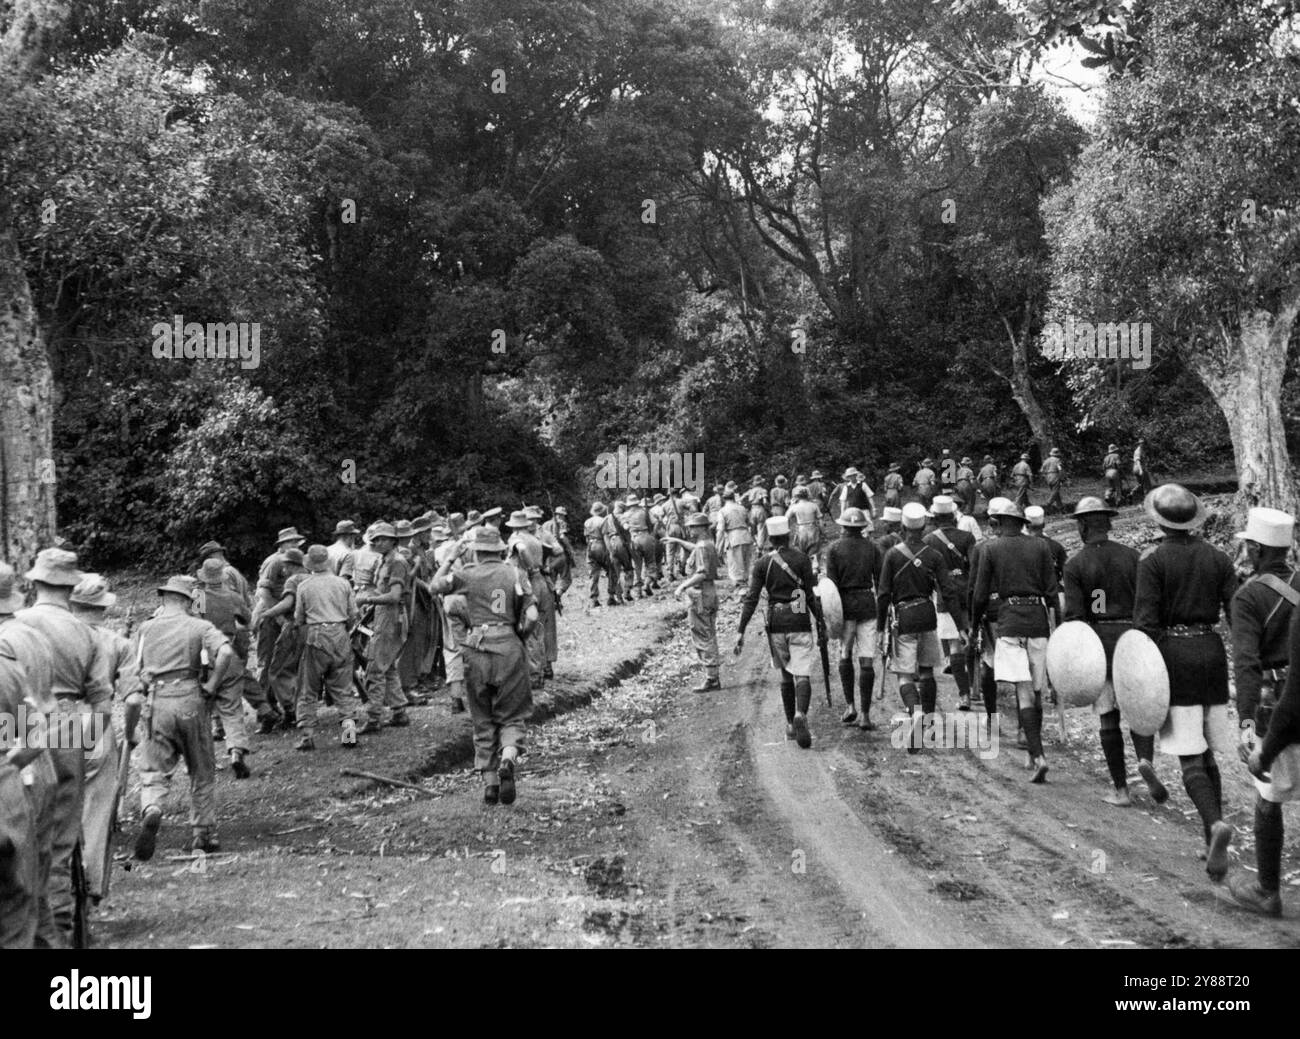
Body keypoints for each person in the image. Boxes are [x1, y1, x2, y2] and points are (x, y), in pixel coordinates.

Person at [1134, 484, 1236, 881]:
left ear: (1158, 521)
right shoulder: (1218, 557)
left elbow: (1145, 623)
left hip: (1175, 657)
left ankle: (1214, 826)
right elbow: (1233, 611)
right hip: (1212, 651)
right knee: (1208, 748)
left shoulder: (1153, 561)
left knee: (1187, 753)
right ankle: (1210, 831)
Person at [15, 549, 112, 945]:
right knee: (59, 842)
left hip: (18, 722)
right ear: (71, 588)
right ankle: (57, 936)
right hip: (68, 723)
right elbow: (102, 703)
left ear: (35, 583)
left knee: (19, 829)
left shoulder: (13, 627)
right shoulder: (87, 633)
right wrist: (86, 746)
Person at [1216, 508, 1298, 915]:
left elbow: (1246, 665)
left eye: (1248, 545)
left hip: (1279, 707)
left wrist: (1246, 727)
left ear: (1256, 548)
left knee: (1269, 797)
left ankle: (1268, 890)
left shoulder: (1248, 595)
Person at [1062, 497, 1166, 807]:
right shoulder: (1135, 557)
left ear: (1082, 526)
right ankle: (1145, 761)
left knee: (1108, 717)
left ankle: (1121, 790)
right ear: (1108, 524)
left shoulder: (1076, 564)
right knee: (1136, 709)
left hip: (1100, 644)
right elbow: (1150, 603)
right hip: (1134, 639)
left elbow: (1078, 617)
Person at [431, 526, 538, 805]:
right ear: (501, 550)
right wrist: (520, 637)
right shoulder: (515, 573)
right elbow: (533, 615)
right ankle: (507, 758)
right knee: (512, 715)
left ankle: (490, 784)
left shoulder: (467, 573)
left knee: (482, 716)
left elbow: (434, 586)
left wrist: (451, 557)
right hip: (508, 647)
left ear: (477, 551)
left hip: (477, 647)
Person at [132, 576, 233, 861]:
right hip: (191, 698)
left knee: (154, 769)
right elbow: (225, 651)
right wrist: (212, 685)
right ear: (189, 601)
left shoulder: (145, 628)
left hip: (157, 700)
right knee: (201, 769)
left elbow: (135, 668)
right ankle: (202, 833)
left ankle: (152, 808)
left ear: (163, 598)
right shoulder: (200, 627)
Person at [970, 498, 1057, 783]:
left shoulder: (990, 548)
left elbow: (980, 594)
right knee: (1036, 689)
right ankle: (1033, 752)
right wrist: (1061, 628)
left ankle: (1039, 755)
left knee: (1023, 692)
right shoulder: (1041, 546)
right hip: (1038, 619)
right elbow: (1052, 592)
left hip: (1009, 621)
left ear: (998, 522)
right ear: (1021, 524)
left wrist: (973, 625)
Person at [878, 503, 965, 752]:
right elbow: (947, 592)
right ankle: (926, 721)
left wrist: (881, 629)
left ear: (903, 527)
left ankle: (915, 713)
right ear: (924, 526)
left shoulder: (893, 555)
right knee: (927, 671)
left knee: (905, 674)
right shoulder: (934, 556)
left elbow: (884, 594)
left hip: (903, 617)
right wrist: (961, 626)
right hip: (928, 613)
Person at [736, 516, 826, 749]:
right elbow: (811, 594)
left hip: (776, 622)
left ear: (769, 539)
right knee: (802, 673)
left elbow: (751, 599)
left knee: (786, 676)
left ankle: (789, 724)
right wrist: (821, 622)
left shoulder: (762, 564)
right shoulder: (802, 560)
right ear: (789, 536)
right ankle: (800, 713)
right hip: (799, 618)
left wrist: (741, 630)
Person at [293, 545, 362, 750]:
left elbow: (299, 618)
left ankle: (307, 737)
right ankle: (349, 735)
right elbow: (353, 614)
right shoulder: (343, 584)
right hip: (340, 633)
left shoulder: (304, 586)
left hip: (316, 635)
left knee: (308, 687)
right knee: (343, 687)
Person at [193, 559, 254, 778]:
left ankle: (204, 760)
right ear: (222, 576)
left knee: (202, 710)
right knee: (232, 708)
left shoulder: (198, 596)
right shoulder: (233, 597)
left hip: (203, 656)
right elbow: (248, 621)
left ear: (204, 577)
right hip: (228, 653)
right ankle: (236, 752)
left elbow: (195, 621)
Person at [826, 507, 882, 729]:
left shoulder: (834, 549)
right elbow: (879, 581)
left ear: (843, 526)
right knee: (866, 658)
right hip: (868, 604)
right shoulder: (872, 548)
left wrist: (831, 617)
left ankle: (850, 705)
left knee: (845, 653)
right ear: (862, 527)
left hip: (845, 606)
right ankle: (866, 715)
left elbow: (831, 586)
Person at [356, 522, 410, 731]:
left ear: (393, 541)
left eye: (383, 539)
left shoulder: (396, 562)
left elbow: (395, 596)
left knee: (375, 668)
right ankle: (399, 711)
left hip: (391, 617)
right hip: (384, 615)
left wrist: (368, 600)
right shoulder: (384, 560)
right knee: (387, 667)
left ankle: (373, 718)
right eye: (376, 539)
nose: (378, 542)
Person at [925, 497, 975, 711]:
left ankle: (964, 694)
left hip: (945, 598)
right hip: (967, 595)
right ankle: (974, 686)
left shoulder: (929, 540)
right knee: (970, 641)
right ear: (954, 516)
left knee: (954, 646)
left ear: (935, 518)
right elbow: (974, 568)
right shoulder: (967, 537)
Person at [253, 527, 307, 726]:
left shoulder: (296, 567)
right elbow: (263, 593)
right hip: (274, 618)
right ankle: (266, 710)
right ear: (282, 544)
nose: (294, 545)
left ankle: (289, 710)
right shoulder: (275, 562)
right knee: (268, 664)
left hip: (289, 619)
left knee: (284, 665)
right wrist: (275, 618)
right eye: (291, 541)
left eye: (296, 541)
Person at [506, 510, 555, 690]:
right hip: (541, 581)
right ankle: (543, 668)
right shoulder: (535, 538)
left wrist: (528, 565)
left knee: (529, 629)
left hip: (528, 582)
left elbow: (522, 549)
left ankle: (534, 674)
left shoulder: (516, 538)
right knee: (541, 627)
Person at [675, 512, 722, 692]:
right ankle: (712, 675)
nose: (690, 529)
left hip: (701, 593)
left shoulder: (702, 546)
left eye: (693, 526)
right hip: (707, 592)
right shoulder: (707, 544)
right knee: (707, 632)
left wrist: (682, 586)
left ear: (702, 528)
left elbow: (701, 572)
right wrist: (677, 541)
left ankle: (712, 678)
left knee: (703, 634)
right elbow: (695, 550)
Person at [622, 494, 661, 598]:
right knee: (650, 562)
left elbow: (625, 527)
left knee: (637, 566)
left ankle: (638, 591)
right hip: (646, 537)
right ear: (637, 502)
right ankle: (647, 583)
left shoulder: (625, 514)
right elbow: (656, 522)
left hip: (634, 539)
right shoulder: (645, 512)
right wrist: (652, 534)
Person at [584, 503, 621, 606]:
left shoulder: (587, 522)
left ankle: (594, 599)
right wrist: (611, 552)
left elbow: (586, 538)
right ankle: (611, 596)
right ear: (601, 511)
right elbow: (605, 537)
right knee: (611, 570)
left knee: (594, 574)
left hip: (591, 546)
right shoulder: (603, 520)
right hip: (601, 545)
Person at [717, 489, 755, 583]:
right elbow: (751, 523)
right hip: (746, 536)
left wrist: (718, 545)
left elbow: (720, 530)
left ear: (723, 499)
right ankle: (745, 586)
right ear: (734, 497)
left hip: (733, 537)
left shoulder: (722, 511)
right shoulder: (742, 508)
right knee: (746, 566)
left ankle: (739, 588)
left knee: (735, 567)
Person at [785, 486, 824, 576]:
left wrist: (791, 505)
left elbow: (786, 518)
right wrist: (822, 531)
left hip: (800, 529)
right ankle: (814, 569)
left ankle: (803, 571)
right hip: (812, 529)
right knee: (814, 551)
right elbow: (820, 520)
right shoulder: (814, 505)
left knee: (801, 552)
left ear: (797, 496)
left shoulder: (794, 507)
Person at [1039, 448, 1065, 513]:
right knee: (1055, 492)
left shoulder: (1046, 460)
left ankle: (1061, 507)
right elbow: (1060, 469)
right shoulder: (1057, 460)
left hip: (1048, 477)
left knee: (1055, 492)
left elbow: (1041, 470)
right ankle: (1048, 504)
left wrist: (1046, 476)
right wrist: (1062, 478)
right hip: (1055, 475)